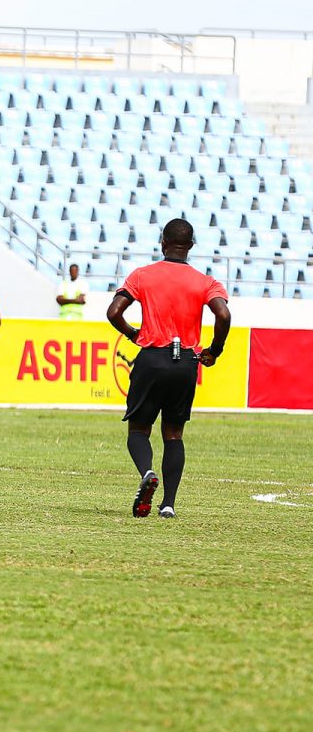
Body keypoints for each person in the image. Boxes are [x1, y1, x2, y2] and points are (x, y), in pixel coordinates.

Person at [105, 218, 230, 519]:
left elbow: (113, 312)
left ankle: (147, 473)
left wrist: (133, 334)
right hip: (185, 362)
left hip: (151, 358)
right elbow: (223, 315)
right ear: (191, 246)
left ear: (162, 242)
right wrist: (214, 350)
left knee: (139, 429)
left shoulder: (142, 275)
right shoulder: (205, 282)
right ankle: (169, 505)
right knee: (174, 433)